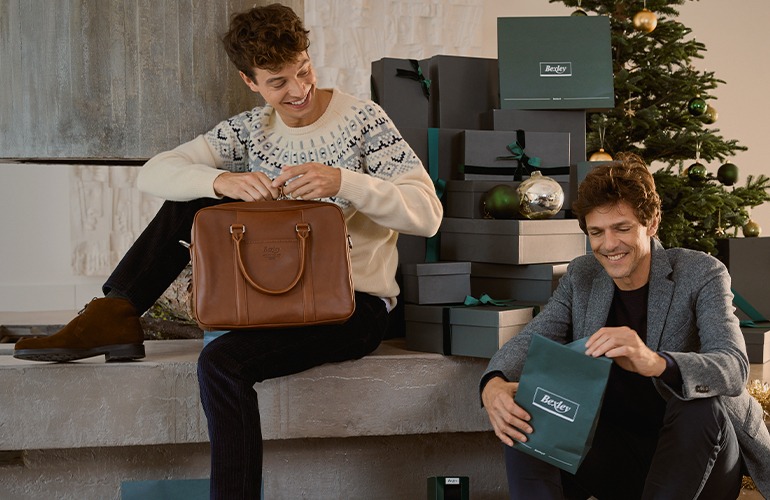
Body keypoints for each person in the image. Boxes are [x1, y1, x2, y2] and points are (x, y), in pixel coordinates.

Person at [14, 4, 442, 498]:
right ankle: (117, 311)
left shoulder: (364, 120)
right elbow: (155, 172)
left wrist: (345, 180)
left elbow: (427, 215)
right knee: (195, 194)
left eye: (303, 70)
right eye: (278, 82)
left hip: (351, 308)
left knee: (221, 363)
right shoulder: (248, 130)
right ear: (250, 81)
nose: (298, 90)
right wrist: (224, 179)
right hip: (270, 300)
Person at [480, 153, 770, 499]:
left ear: (652, 223)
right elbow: (531, 339)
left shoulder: (701, 273)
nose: (609, 244)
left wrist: (656, 362)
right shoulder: (582, 276)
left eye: (622, 228)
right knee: (529, 401)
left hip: (701, 464)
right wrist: (493, 384)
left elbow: (734, 367)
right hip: (619, 461)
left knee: (700, 404)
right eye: (597, 232)